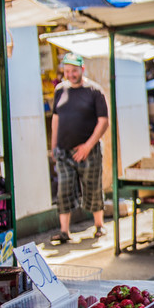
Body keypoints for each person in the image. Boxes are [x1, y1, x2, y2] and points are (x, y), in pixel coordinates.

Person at [50, 53, 109, 243]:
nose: (70, 74)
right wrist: (53, 146)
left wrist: (87, 146)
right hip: (64, 150)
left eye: (74, 71)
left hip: (89, 150)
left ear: (82, 69)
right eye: (67, 71)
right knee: (64, 189)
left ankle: (99, 225)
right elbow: (56, 119)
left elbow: (103, 122)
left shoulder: (94, 91)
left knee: (92, 187)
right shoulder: (60, 90)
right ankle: (64, 231)